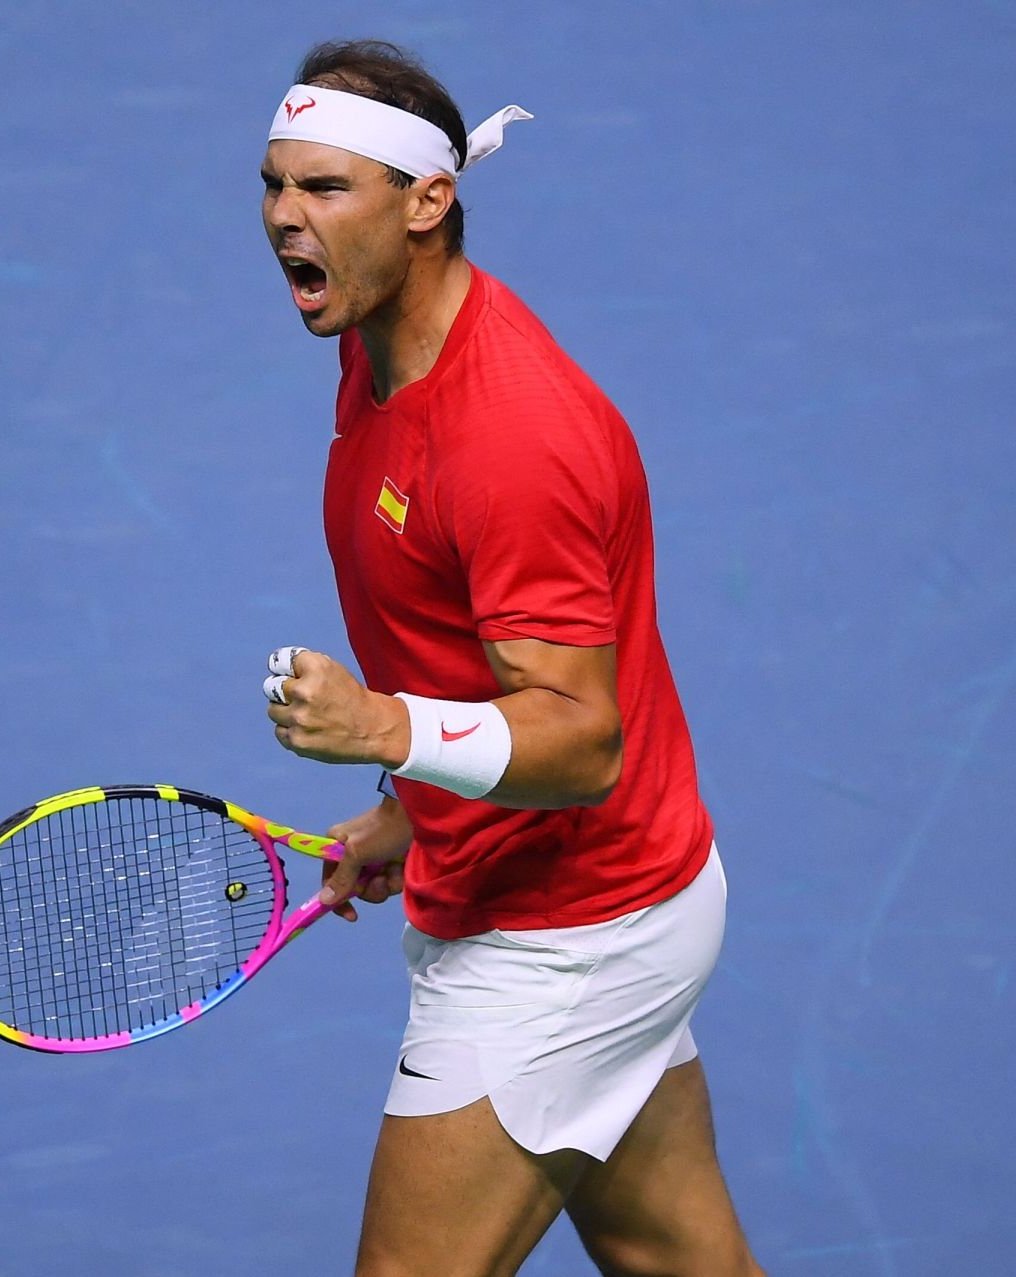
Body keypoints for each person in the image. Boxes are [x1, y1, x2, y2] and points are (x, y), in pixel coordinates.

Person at [255, 40, 765, 1277]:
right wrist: (415, 807)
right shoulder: (379, 346)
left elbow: (582, 737)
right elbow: (469, 650)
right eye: (274, 184)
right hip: (617, 891)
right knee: (675, 1259)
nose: (283, 218)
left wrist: (390, 732)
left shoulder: (509, 438)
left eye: (326, 188)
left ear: (427, 201)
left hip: (562, 934)